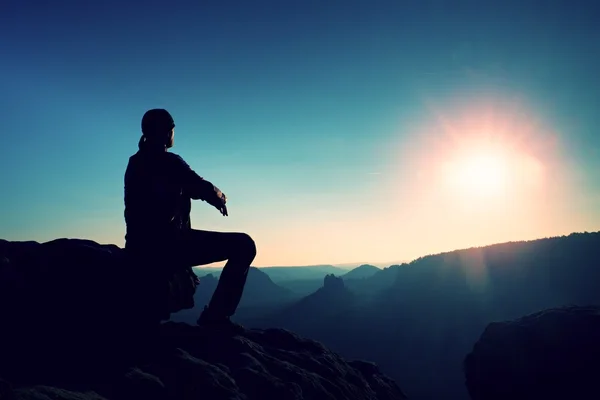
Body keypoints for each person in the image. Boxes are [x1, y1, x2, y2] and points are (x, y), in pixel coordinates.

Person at [124, 108, 256, 329]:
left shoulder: (135, 163)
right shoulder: (170, 162)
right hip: (170, 244)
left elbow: (186, 187)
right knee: (244, 246)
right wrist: (220, 197)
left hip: (139, 246)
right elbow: (197, 185)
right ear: (167, 132)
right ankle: (216, 317)